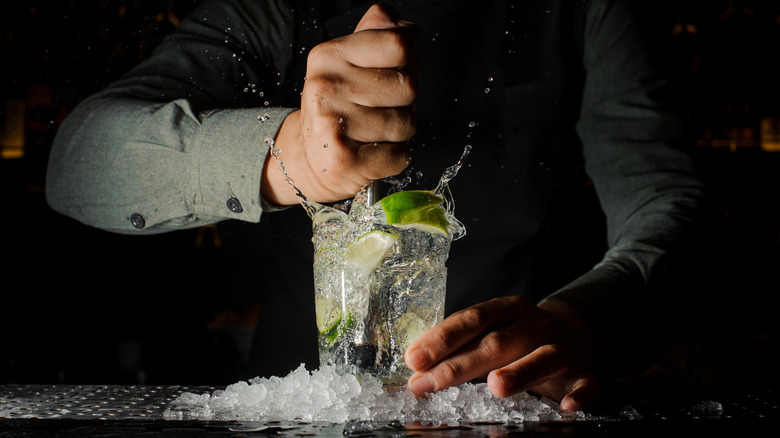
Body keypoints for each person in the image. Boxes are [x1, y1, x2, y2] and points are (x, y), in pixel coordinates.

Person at [46, 0, 706, 412]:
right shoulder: (276, 8)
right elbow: (78, 163)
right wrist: (288, 157)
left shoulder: (585, 10)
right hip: (301, 409)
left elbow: (672, 206)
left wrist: (586, 320)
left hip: (518, 407)